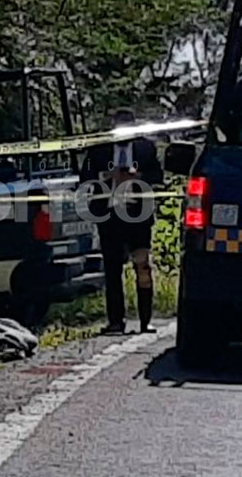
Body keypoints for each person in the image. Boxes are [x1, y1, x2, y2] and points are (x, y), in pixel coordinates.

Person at [80, 108, 163, 334]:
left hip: (138, 216)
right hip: (110, 216)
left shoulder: (145, 147)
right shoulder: (99, 149)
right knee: (112, 270)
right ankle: (116, 321)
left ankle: (146, 320)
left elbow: (158, 175)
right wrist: (108, 176)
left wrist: (138, 176)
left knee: (143, 266)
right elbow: (84, 177)